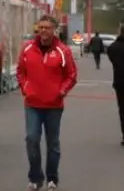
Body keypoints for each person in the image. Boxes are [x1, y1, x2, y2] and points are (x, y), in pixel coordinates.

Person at [18, 15, 78, 190]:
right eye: (41, 27)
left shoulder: (63, 51)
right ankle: (35, 178)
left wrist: (61, 91)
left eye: (47, 27)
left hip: (53, 106)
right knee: (31, 139)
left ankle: (52, 178)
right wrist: (25, 88)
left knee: (52, 143)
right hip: (32, 104)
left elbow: (72, 75)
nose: (43, 30)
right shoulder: (27, 48)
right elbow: (21, 72)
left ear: (54, 30)